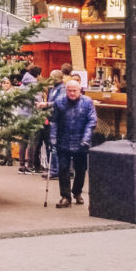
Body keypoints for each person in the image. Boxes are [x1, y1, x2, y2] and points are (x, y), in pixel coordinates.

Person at [49, 77, 97, 208]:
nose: (72, 93)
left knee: (81, 169)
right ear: (66, 90)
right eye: (69, 91)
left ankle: (77, 192)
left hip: (81, 140)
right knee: (63, 169)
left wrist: (86, 138)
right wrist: (53, 137)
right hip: (63, 139)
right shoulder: (59, 102)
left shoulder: (87, 102)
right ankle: (65, 196)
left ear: (79, 90)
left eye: (74, 91)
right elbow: (54, 121)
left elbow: (91, 121)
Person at [17, 65, 42, 172]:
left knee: (23, 140)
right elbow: (38, 102)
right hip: (32, 115)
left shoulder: (22, 85)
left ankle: (21, 164)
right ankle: (30, 165)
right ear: (37, 74)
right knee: (32, 141)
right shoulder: (35, 86)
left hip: (21, 115)